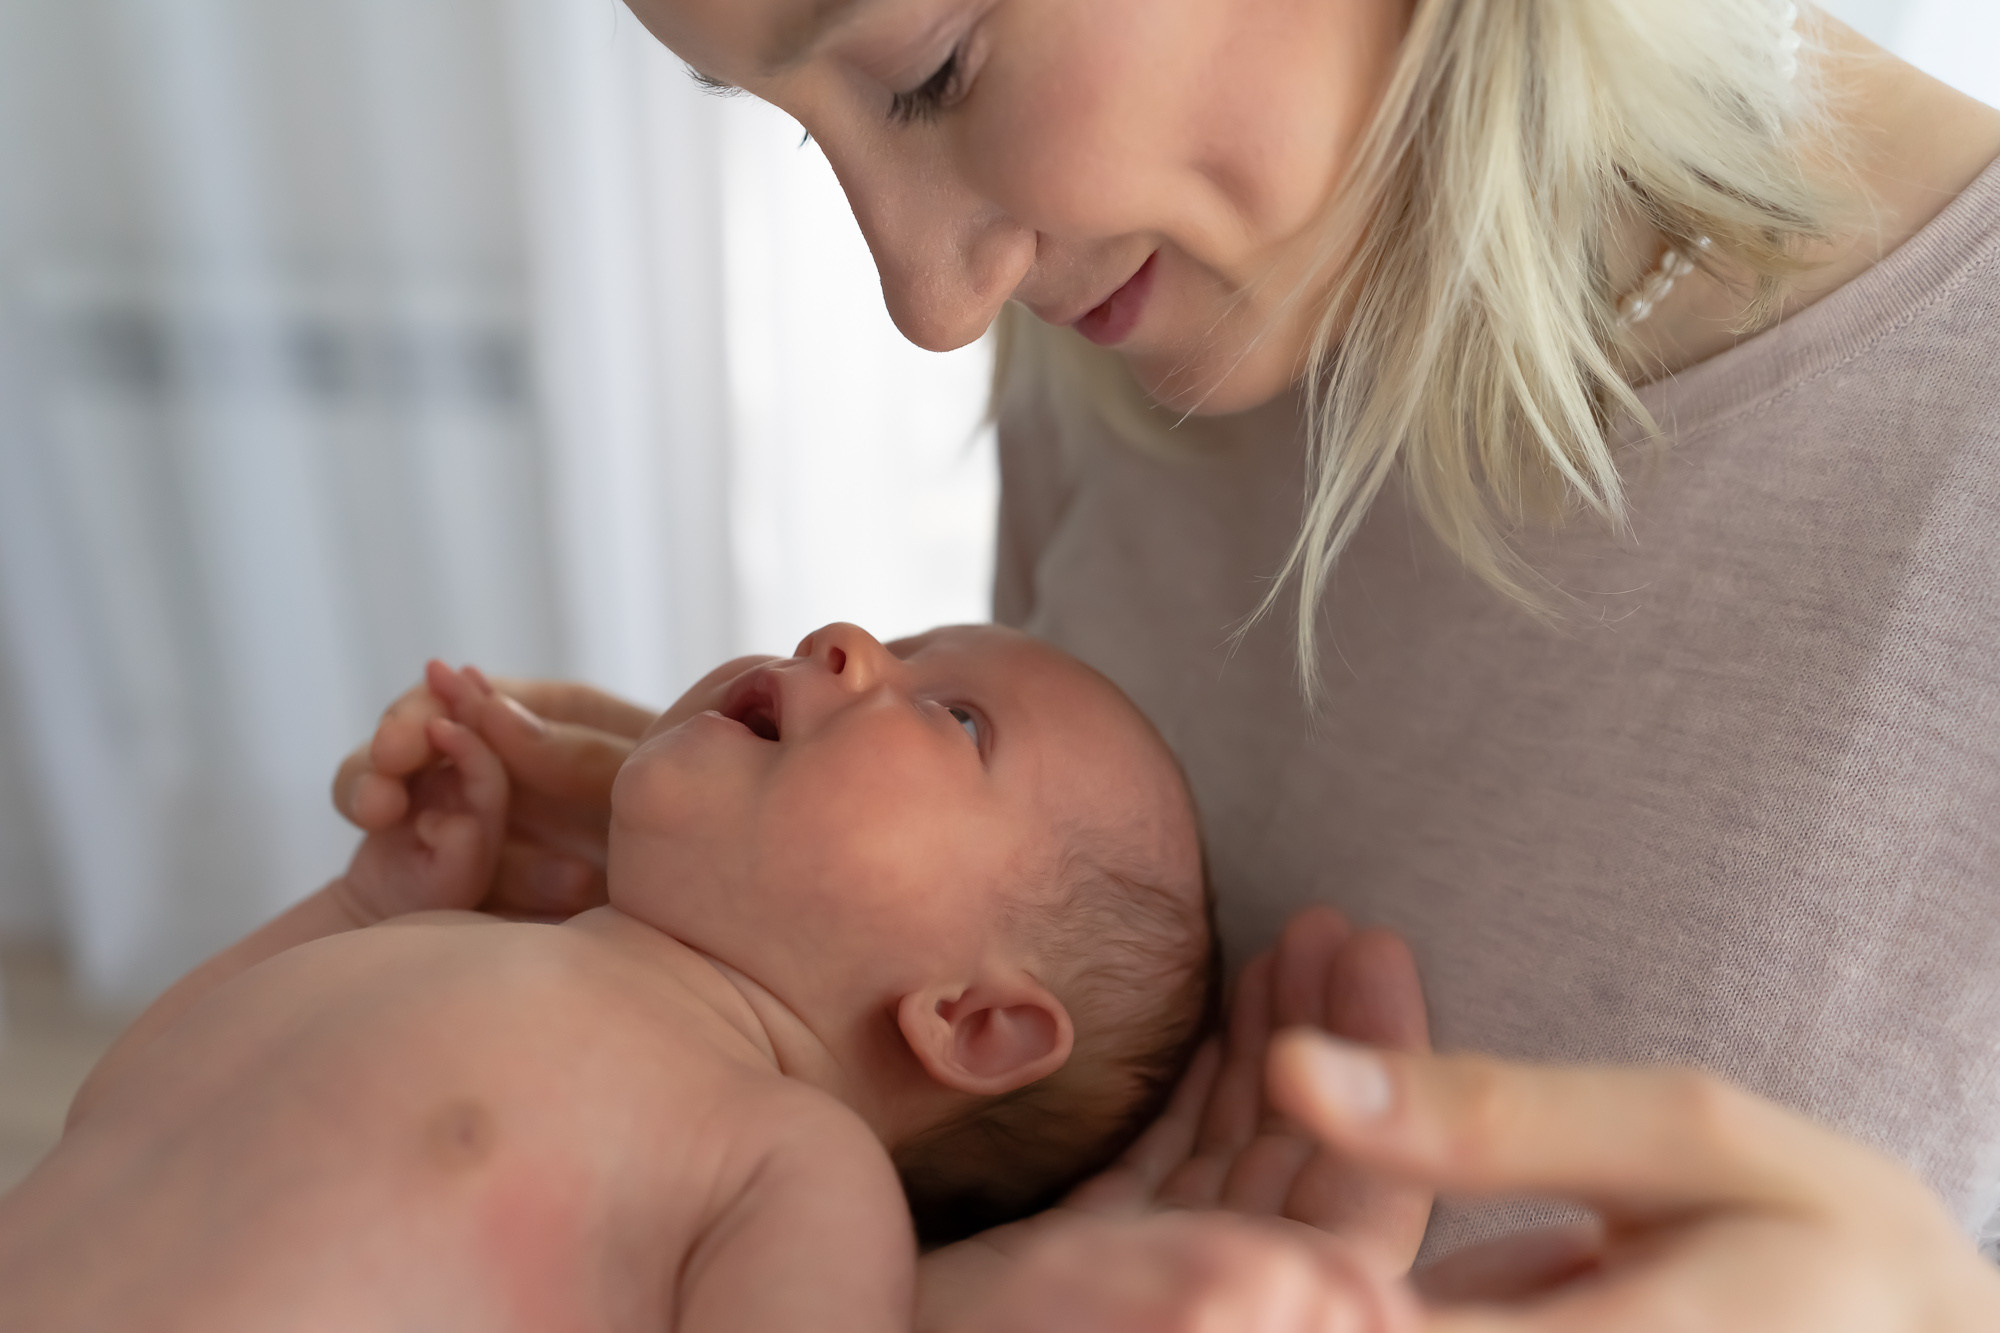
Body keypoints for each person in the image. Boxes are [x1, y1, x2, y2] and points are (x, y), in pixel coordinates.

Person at [338, 0, 2000, 1326]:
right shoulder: (1132, 341)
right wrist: (748, 968)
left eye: (930, 69)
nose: (930, 296)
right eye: (798, 123)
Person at [0, 623, 1217, 1329]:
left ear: (972, 1019)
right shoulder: (467, 941)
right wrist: (363, 905)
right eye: (897, 642)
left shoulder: (790, 1161)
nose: (840, 641)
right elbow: (133, 1098)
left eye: (956, 720)